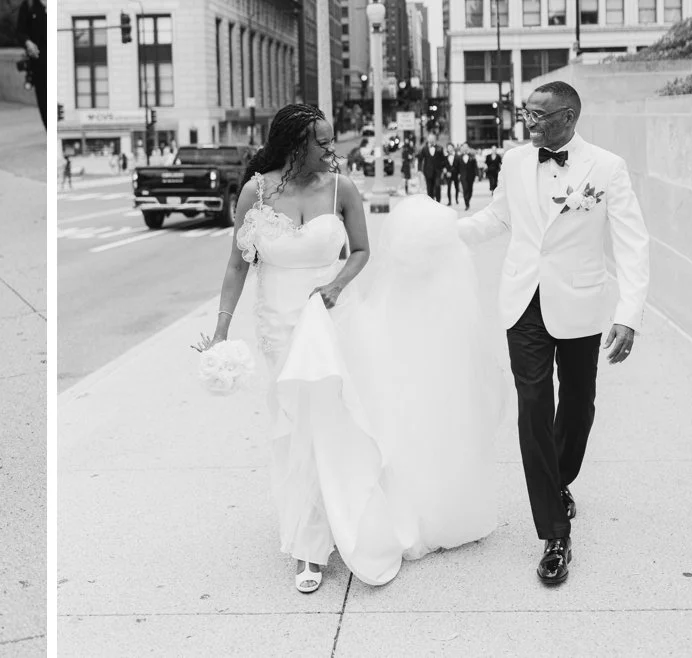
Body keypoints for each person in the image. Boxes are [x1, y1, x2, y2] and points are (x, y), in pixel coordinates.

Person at [206, 104, 507, 593]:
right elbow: (238, 265)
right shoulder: (255, 192)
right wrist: (221, 330)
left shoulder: (341, 188)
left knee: (336, 423)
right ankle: (310, 531)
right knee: (297, 428)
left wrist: (336, 286)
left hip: (333, 319)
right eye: (322, 142)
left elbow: (362, 250)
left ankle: (318, 542)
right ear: (294, 144)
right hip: (278, 325)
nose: (332, 150)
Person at [457, 81, 649, 585]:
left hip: (580, 302)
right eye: (527, 113)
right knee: (534, 405)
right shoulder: (515, 161)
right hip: (523, 301)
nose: (529, 122)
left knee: (579, 403)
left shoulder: (607, 167)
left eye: (539, 115)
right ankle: (554, 532)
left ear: (568, 116)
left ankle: (559, 478)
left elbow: (632, 242)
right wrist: (444, 233)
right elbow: (498, 216)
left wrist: (628, 313)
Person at [15, 0, 48, 127]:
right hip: (39, 61)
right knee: (44, 100)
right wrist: (28, 43)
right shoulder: (28, 5)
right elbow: (20, 31)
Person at [418, 135, 445, 201]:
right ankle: (431, 202)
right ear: (428, 140)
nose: (431, 140)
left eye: (432, 139)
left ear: (435, 139)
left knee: (437, 186)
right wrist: (419, 169)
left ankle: (438, 201)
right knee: (429, 188)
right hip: (427, 171)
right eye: (430, 139)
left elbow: (443, 159)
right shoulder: (424, 148)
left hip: (438, 171)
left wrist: (444, 168)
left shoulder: (440, 148)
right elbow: (420, 159)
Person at [456, 143, 480, 210]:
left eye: (466, 147)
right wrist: (457, 175)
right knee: (465, 189)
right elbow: (457, 167)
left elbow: (475, 167)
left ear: (468, 148)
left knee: (470, 190)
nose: (465, 148)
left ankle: (468, 200)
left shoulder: (472, 156)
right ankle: (466, 204)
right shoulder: (459, 157)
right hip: (463, 176)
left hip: (471, 176)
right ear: (462, 148)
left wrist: (477, 175)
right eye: (464, 147)